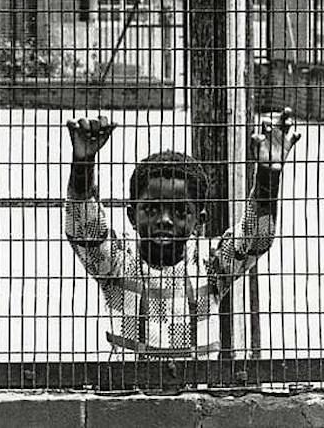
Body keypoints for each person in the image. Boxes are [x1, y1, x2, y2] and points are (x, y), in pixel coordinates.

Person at [64, 110, 300, 357]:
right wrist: (83, 164)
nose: (164, 220)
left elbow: (255, 238)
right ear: (132, 216)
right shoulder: (118, 262)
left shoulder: (211, 263)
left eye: (179, 211)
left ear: (200, 221)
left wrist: (267, 176)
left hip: (194, 392)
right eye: (151, 209)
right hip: (128, 392)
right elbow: (84, 231)